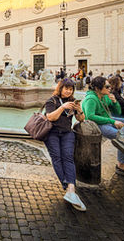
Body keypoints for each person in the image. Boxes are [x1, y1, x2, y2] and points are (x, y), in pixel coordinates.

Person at [82, 76, 124, 180]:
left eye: (109, 86)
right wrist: (113, 121)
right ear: (97, 88)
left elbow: (117, 112)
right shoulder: (90, 99)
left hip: (107, 119)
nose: (110, 88)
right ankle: (121, 166)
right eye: (107, 86)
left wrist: (115, 103)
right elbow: (90, 116)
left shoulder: (106, 96)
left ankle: (122, 138)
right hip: (96, 124)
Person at [44, 78, 86, 211]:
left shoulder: (72, 102)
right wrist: (62, 107)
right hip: (52, 133)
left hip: (67, 133)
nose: (68, 91)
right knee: (57, 158)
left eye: (71, 89)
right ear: (60, 88)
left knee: (68, 157)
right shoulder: (52, 101)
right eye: (66, 88)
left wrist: (79, 110)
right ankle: (66, 186)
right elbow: (50, 117)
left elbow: (81, 119)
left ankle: (71, 188)